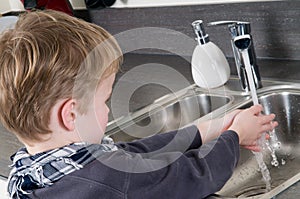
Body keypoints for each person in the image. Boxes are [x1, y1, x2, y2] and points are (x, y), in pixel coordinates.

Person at [0, 10, 278, 199]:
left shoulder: (31, 171)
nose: (108, 109)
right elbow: (190, 177)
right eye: (104, 99)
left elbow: (132, 154)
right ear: (71, 113)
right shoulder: (107, 176)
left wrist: (209, 128)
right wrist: (235, 137)